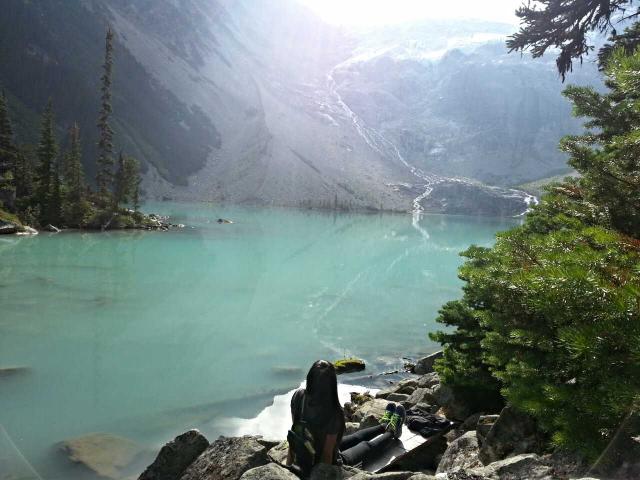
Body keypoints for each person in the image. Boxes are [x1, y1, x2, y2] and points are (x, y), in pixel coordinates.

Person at [286, 360, 406, 477]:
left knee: (355, 437)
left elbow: (296, 432)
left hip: (304, 453)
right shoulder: (333, 411)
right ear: (331, 386)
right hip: (321, 464)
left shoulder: (298, 396)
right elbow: (327, 457)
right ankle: (392, 431)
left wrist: (288, 467)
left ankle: (383, 426)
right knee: (366, 446)